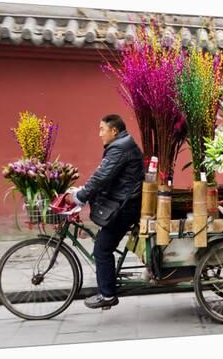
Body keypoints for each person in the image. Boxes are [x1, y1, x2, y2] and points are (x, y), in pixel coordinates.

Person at [65, 114, 144, 309]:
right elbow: (104, 175)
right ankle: (107, 285)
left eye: (102, 129)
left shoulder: (119, 147)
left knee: (102, 248)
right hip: (123, 202)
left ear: (114, 131)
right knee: (103, 242)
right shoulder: (122, 144)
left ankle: (107, 295)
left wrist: (80, 196)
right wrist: (83, 191)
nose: (99, 134)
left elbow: (102, 176)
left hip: (126, 207)